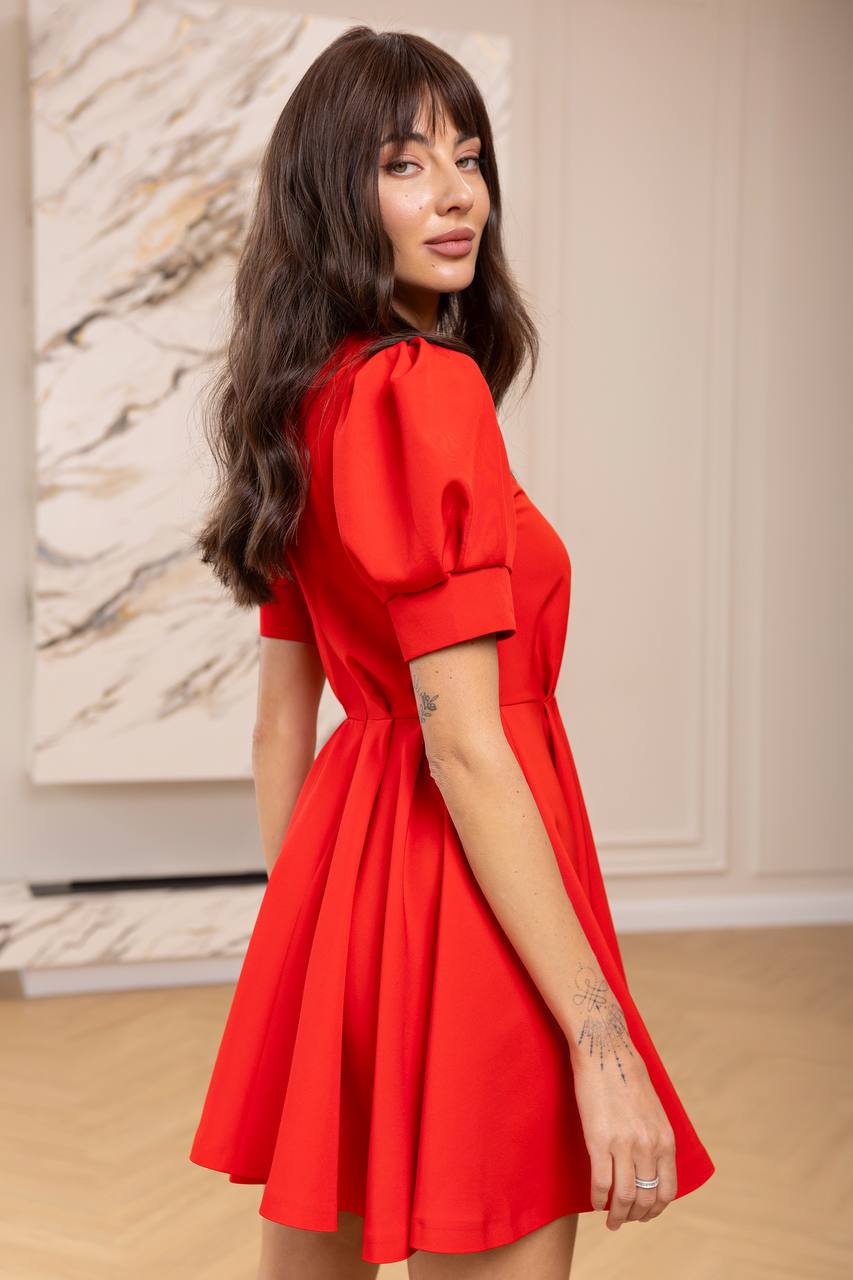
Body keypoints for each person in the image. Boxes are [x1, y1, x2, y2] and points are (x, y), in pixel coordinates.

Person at [188, 24, 714, 1280]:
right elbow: (468, 742)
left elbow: (280, 726)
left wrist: (320, 944)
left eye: (469, 156)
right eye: (406, 161)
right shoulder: (428, 389)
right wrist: (602, 1038)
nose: (458, 190)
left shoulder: (299, 402)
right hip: (475, 891)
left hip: (347, 893)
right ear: (332, 190)